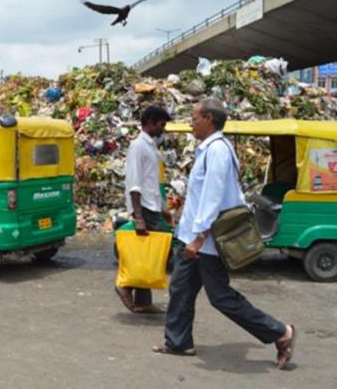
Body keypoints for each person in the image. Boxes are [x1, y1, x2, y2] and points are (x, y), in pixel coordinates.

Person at [152, 98, 296, 370]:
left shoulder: (217, 151)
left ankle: (280, 332)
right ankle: (179, 341)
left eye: (194, 117)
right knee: (181, 288)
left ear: (208, 119)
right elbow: (201, 194)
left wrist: (199, 236)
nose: (190, 122)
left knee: (221, 297)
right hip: (192, 236)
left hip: (206, 242)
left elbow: (214, 197)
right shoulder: (208, 150)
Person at [116, 105, 172, 313]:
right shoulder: (138, 146)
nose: (162, 128)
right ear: (149, 122)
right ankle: (125, 286)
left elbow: (152, 182)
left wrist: (164, 207)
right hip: (145, 207)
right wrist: (138, 216)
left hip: (152, 205)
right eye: (160, 124)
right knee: (156, 252)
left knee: (148, 251)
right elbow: (135, 183)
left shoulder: (151, 147)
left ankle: (142, 301)